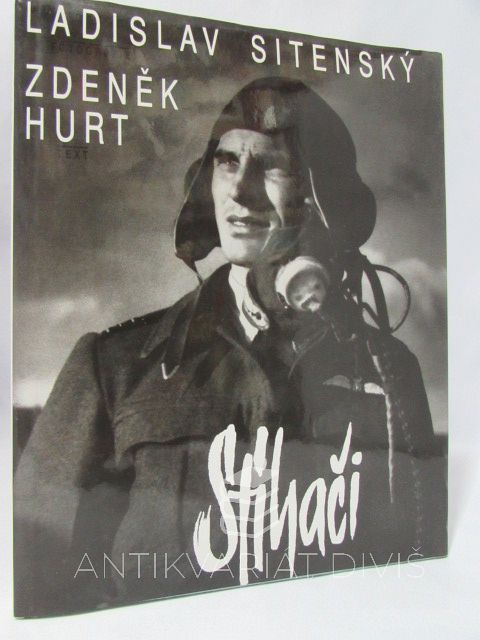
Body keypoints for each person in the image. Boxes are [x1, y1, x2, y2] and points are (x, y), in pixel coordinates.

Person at [14, 77, 446, 617]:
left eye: (272, 166)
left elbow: (419, 575)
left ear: (321, 200)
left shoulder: (388, 370)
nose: (240, 190)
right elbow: (35, 581)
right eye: (227, 162)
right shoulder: (116, 366)